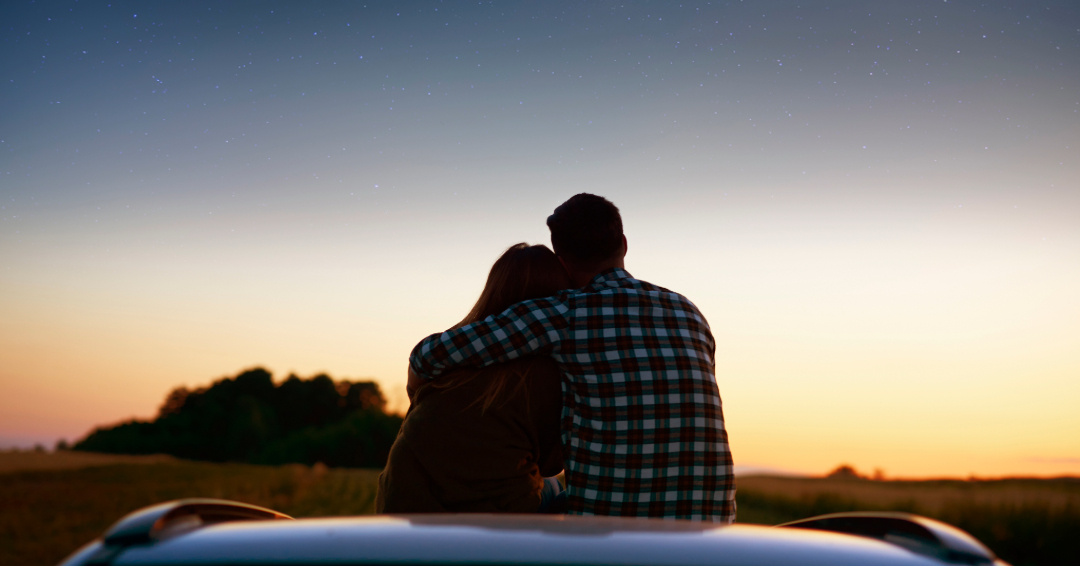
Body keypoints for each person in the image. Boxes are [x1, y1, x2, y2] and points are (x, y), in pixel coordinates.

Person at [409, 194, 735, 522]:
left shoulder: (564, 313)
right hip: (710, 529)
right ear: (623, 244)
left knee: (546, 485)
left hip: (607, 533)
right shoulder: (688, 313)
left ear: (561, 261)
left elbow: (428, 356)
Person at [377, 243, 571, 513]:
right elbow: (552, 465)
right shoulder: (551, 373)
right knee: (560, 491)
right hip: (490, 525)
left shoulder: (453, 354)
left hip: (401, 510)